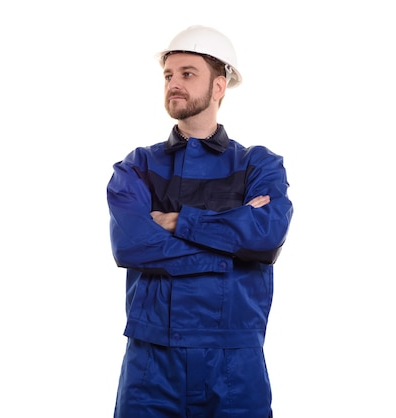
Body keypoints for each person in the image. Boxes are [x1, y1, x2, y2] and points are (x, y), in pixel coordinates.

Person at [107, 25, 293, 418]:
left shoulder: (257, 165)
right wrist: (231, 251)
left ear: (219, 87)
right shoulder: (138, 166)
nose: (174, 83)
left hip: (234, 361)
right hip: (151, 362)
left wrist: (180, 222)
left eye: (187, 74)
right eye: (169, 75)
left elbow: (267, 235)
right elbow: (131, 245)